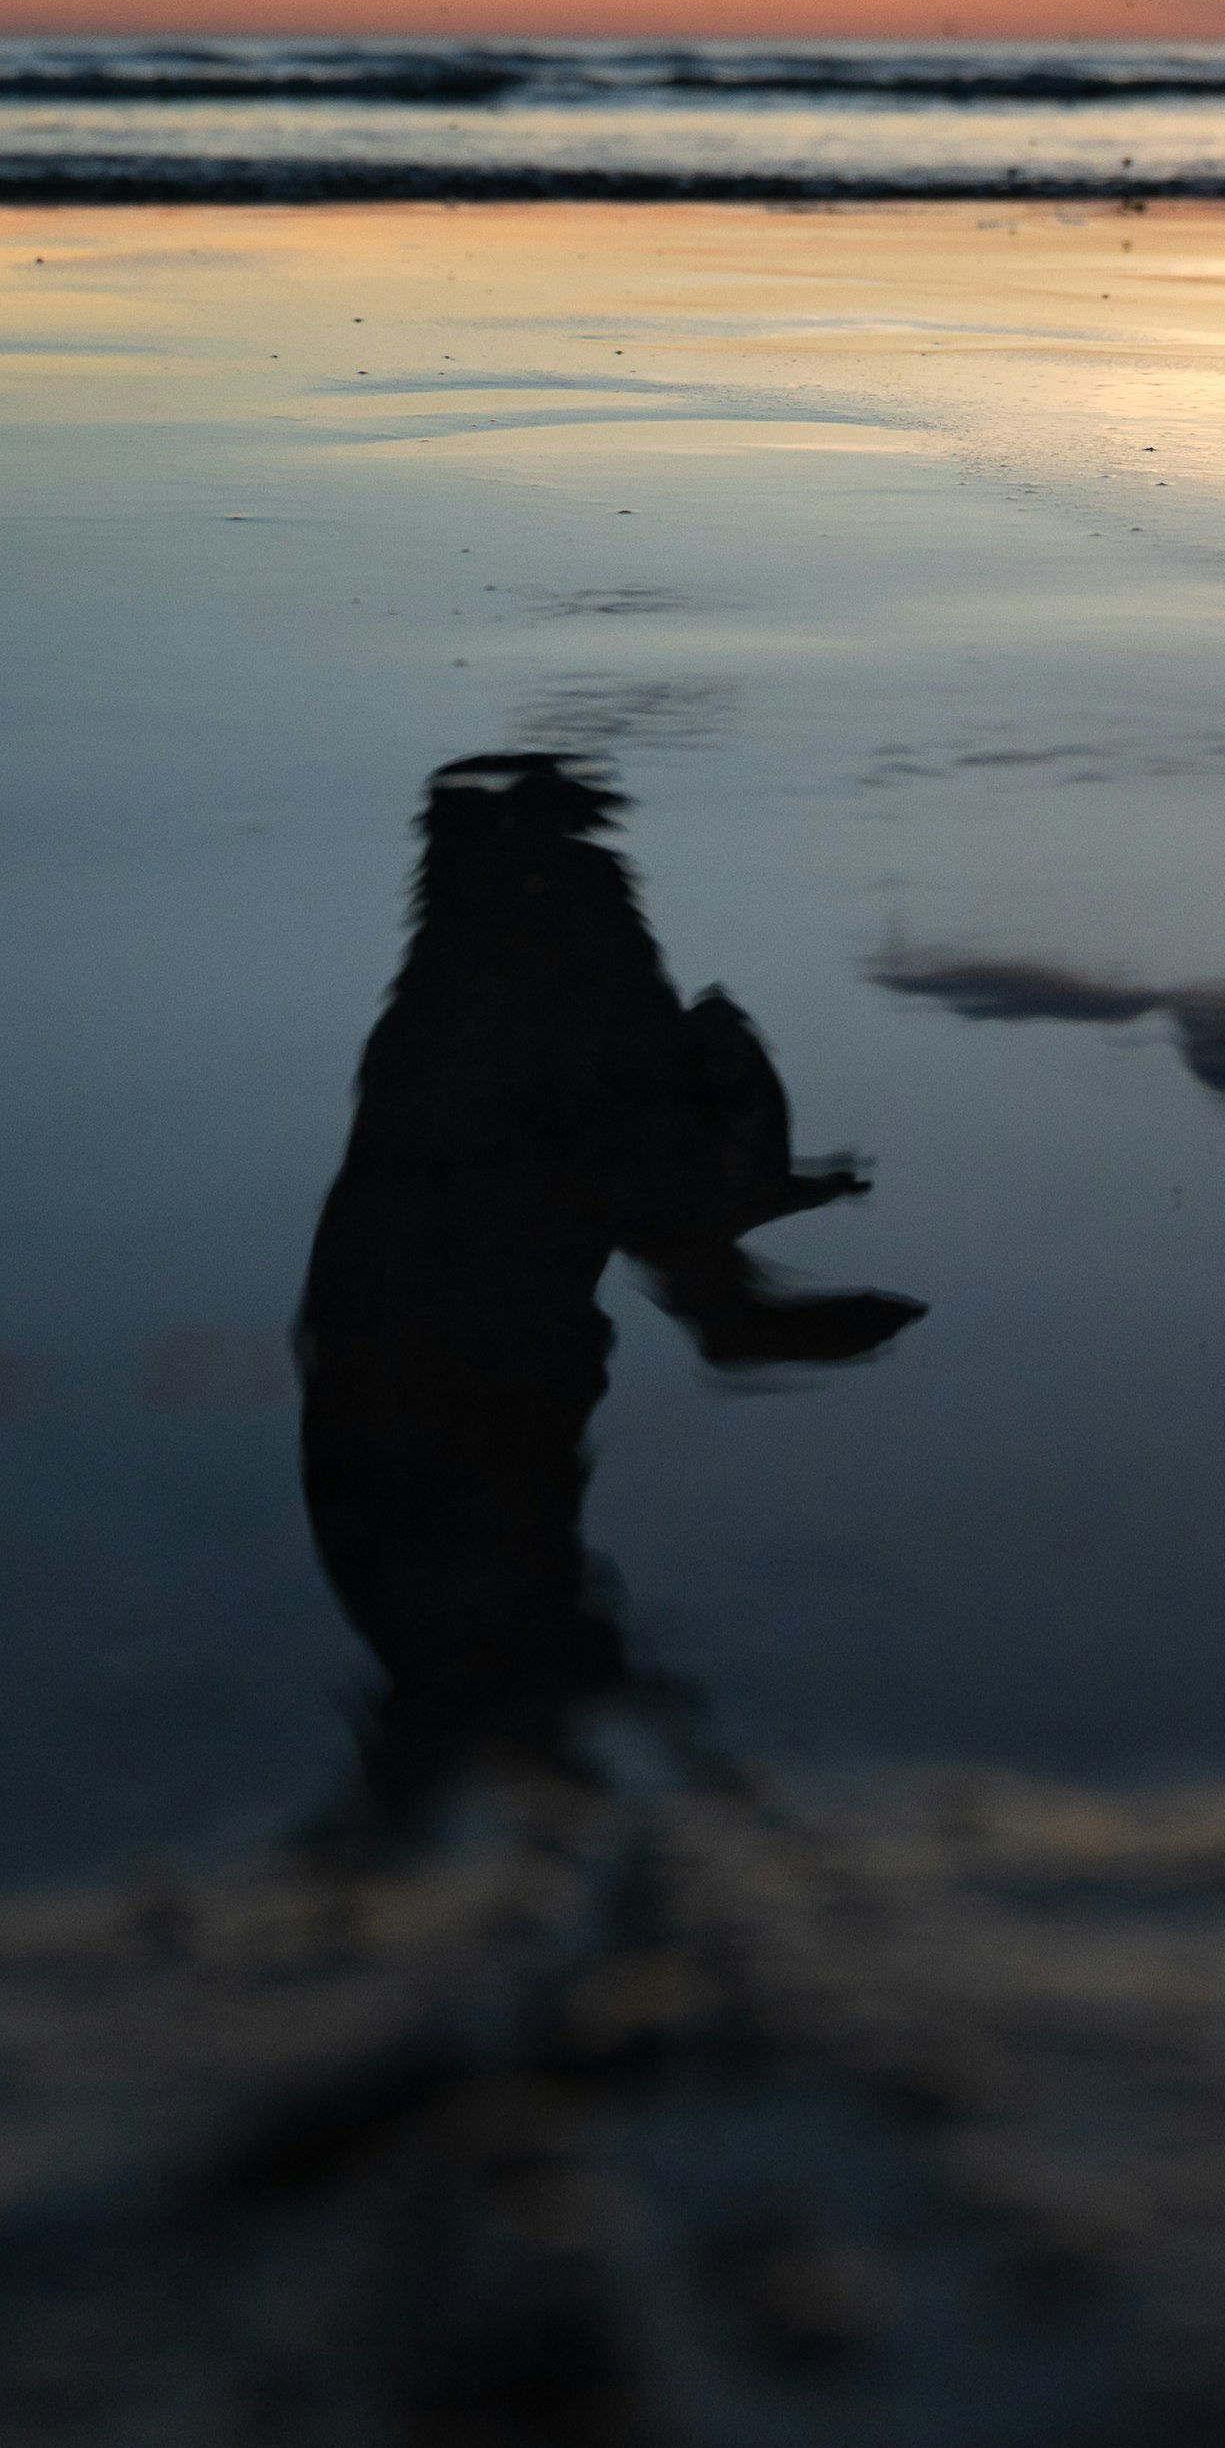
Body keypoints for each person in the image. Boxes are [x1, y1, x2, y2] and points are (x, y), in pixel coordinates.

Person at [296, 752, 923, 1818]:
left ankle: (481, 1757)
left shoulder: (435, 1009)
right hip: (474, 1391)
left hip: (382, 1400)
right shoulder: (583, 984)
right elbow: (614, 1148)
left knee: (478, 1661)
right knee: (502, 1648)